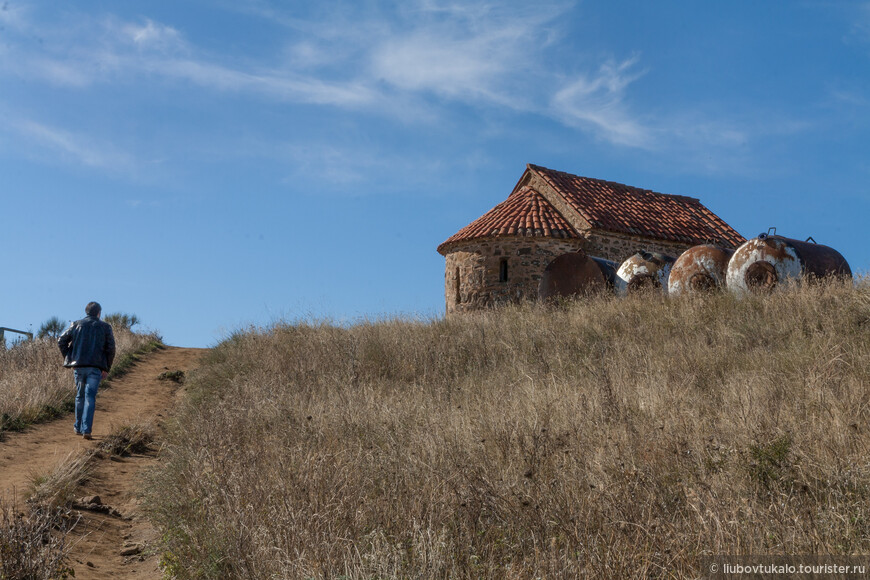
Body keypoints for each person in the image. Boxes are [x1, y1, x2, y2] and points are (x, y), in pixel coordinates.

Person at [57, 302, 116, 440]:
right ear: (99, 313)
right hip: (95, 368)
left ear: (86, 311)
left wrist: (70, 357)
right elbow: (111, 348)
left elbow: (61, 340)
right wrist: (106, 367)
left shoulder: (76, 324)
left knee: (80, 396)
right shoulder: (105, 327)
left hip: (79, 366)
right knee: (90, 397)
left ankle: (78, 427)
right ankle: (86, 429)